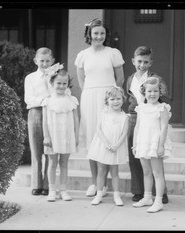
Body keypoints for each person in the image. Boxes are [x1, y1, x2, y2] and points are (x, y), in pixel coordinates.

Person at [75, 18, 125, 197]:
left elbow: (119, 79)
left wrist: (110, 97)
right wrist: (91, 93)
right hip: (89, 97)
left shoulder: (113, 53)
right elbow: (82, 81)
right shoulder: (82, 55)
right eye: (95, 33)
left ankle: (108, 184)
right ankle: (95, 184)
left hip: (108, 98)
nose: (99, 36)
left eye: (102, 33)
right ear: (89, 34)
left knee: (108, 137)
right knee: (92, 139)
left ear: (106, 35)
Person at [124, 46, 169, 204]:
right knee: (136, 155)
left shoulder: (155, 78)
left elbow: (164, 95)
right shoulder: (130, 79)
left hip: (151, 118)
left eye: (145, 62)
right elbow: (129, 97)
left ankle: (160, 194)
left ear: (150, 63)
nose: (142, 65)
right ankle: (139, 191)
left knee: (154, 155)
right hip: (135, 117)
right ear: (133, 61)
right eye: (139, 61)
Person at [132, 76, 172, 213]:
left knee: (157, 172)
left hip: (155, 143)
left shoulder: (162, 108)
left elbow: (164, 128)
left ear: (160, 92)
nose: (152, 94)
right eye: (149, 91)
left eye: (155, 91)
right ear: (144, 92)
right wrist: (134, 144)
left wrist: (160, 146)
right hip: (143, 142)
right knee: (146, 171)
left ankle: (159, 200)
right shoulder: (141, 108)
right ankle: (147, 197)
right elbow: (137, 127)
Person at [42, 67, 79, 202]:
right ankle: (52, 190)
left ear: (68, 84)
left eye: (64, 83)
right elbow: (45, 120)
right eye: (58, 83)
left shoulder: (72, 100)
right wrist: (46, 136)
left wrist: (76, 135)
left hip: (67, 135)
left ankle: (63, 189)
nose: (61, 86)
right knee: (52, 162)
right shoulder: (47, 101)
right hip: (53, 136)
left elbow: (76, 119)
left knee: (64, 163)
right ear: (52, 83)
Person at [87, 86, 129, 206]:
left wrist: (116, 145)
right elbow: (98, 129)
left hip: (116, 146)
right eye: (112, 99)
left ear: (122, 99)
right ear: (107, 101)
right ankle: (99, 194)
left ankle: (116, 195)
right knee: (101, 171)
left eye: (118, 99)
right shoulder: (104, 113)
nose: (116, 102)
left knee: (115, 172)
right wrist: (106, 143)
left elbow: (124, 133)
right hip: (104, 145)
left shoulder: (124, 117)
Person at [24, 47, 55, 196]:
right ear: (36, 61)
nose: (44, 64)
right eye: (42, 61)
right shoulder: (30, 78)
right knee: (36, 150)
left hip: (51, 113)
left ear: (52, 61)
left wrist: (50, 78)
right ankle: (36, 184)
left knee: (49, 149)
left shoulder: (55, 76)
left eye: (47, 61)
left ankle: (47, 184)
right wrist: (44, 100)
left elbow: (57, 94)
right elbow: (29, 99)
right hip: (36, 112)